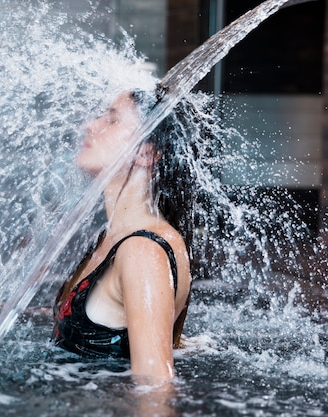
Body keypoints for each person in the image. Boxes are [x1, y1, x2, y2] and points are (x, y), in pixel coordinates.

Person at [52, 86, 199, 383]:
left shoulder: (142, 251)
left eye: (112, 119)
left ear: (145, 153)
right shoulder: (114, 238)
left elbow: (155, 387)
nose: (90, 125)